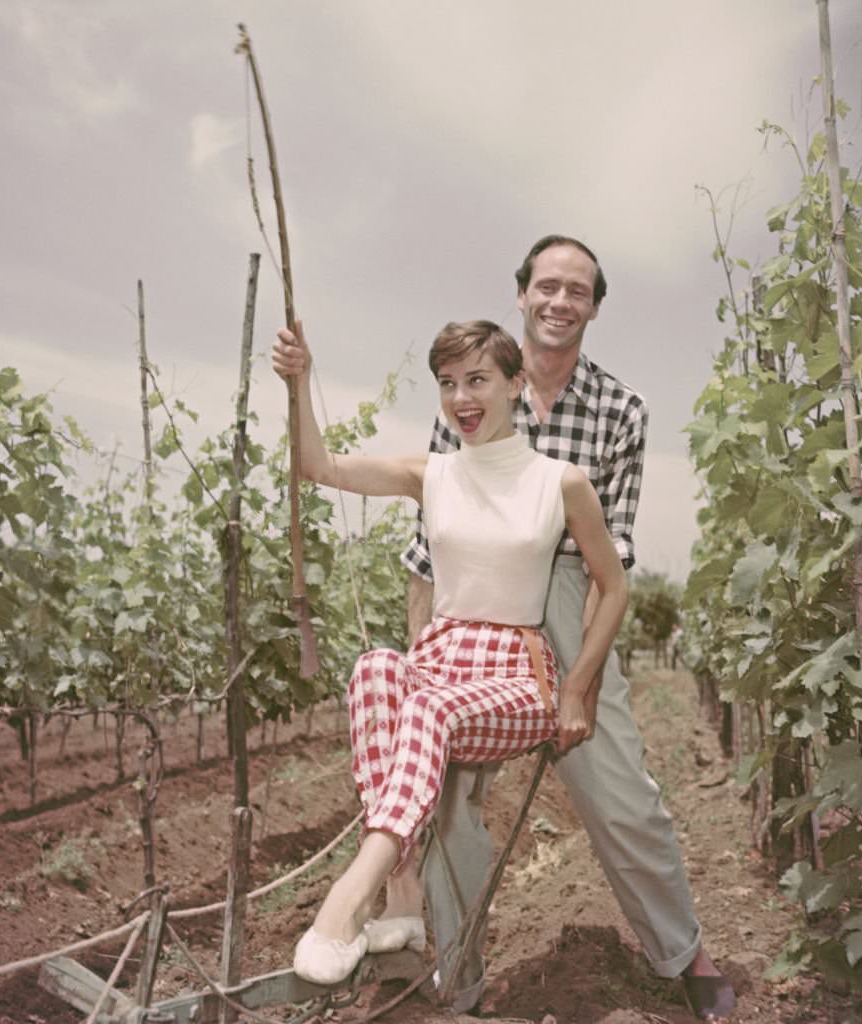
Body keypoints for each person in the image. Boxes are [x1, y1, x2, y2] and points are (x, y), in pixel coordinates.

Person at [403, 236, 735, 1020]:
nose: (558, 301)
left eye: (575, 291)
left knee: (620, 791)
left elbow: (608, 562)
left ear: (592, 307)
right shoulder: (470, 392)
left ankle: (681, 951)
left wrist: (577, 685)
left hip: (563, 588)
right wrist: (421, 650)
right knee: (446, 797)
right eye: (545, 287)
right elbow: (426, 547)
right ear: (520, 296)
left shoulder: (620, 410)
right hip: (472, 596)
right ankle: (458, 976)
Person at [271, 318, 628, 988]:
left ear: (516, 385)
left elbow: (612, 587)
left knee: (427, 708)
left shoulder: (560, 482)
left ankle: (346, 900)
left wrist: (578, 687)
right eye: (447, 383)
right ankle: (403, 896)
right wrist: (299, 383)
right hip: (440, 655)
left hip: (516, 675)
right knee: (376, 667)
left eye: (477, 380)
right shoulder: (429, 473)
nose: (462, 397)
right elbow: (315, 466)